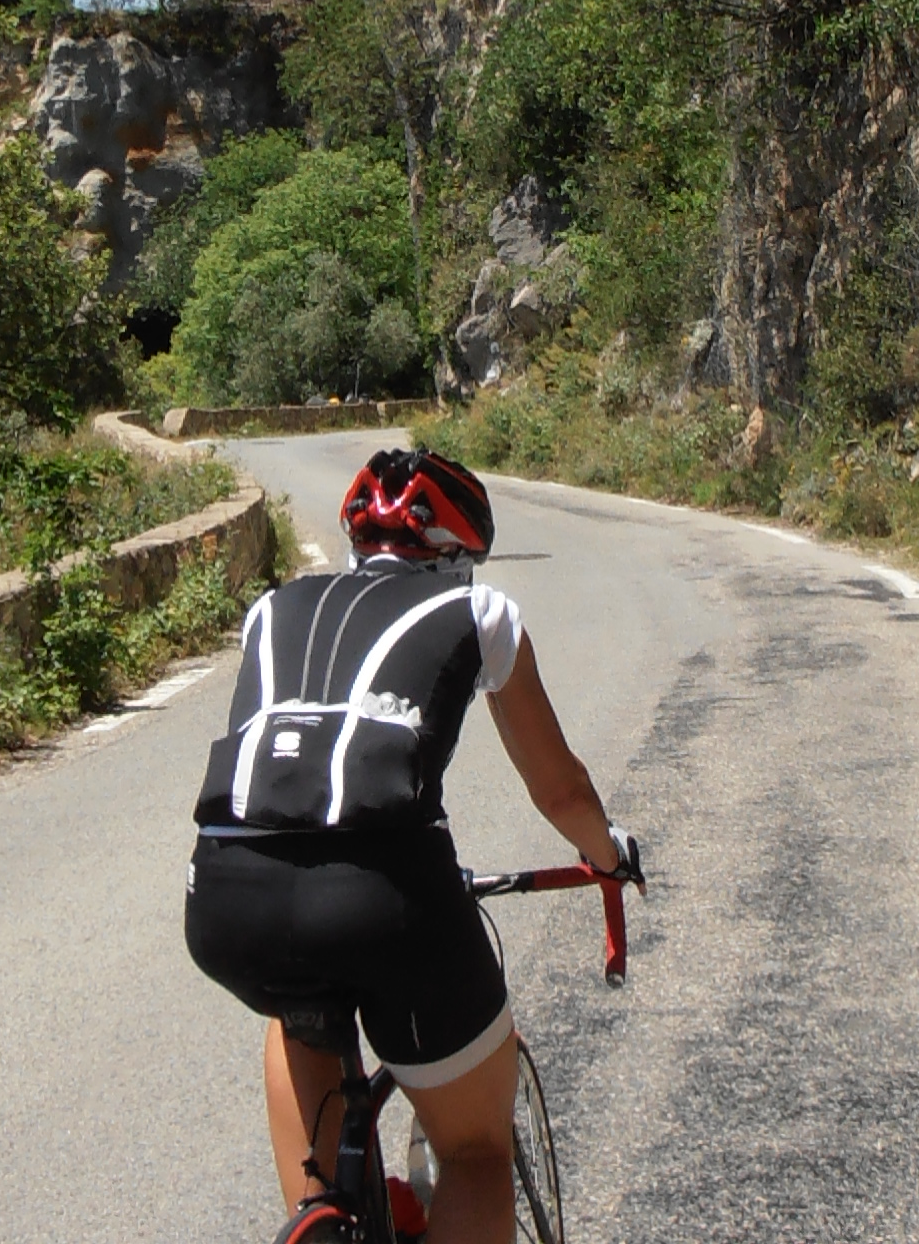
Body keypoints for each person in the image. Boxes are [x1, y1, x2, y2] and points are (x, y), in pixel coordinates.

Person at [184, 446, 640, 1244]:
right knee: (472, 1151)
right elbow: (560, 789)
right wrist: (607, 857)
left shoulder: (272, 608)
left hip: (226, 893)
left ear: (358, 544)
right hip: (384, 890)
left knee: (296, 1007)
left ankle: (316, 1213)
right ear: (460, 553)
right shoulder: (479, 612)